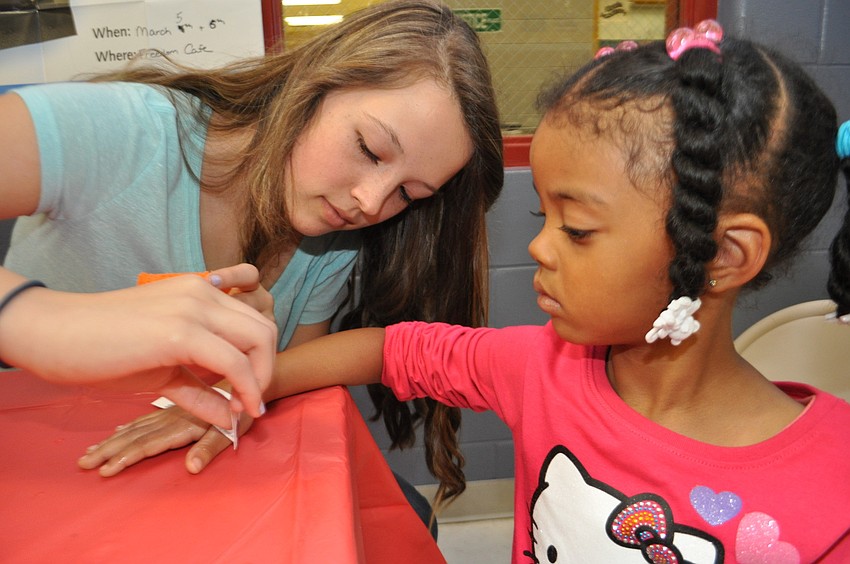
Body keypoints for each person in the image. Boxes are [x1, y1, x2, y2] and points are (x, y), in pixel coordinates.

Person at [83, 19, 850, 561]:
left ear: (721, 254)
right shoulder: (542, 369)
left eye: (576, 229)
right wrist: (245, 387)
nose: (538, 247)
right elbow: (394, 349)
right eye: (541, 214)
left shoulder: (833, 490)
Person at [2, 0, 502, 504]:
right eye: (369, 149)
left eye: (408, 195)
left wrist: (234, 390)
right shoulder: (121, 130)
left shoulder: (333, 239)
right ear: (314, 84)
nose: (370, 203)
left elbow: (289, 379)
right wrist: (44, 321)